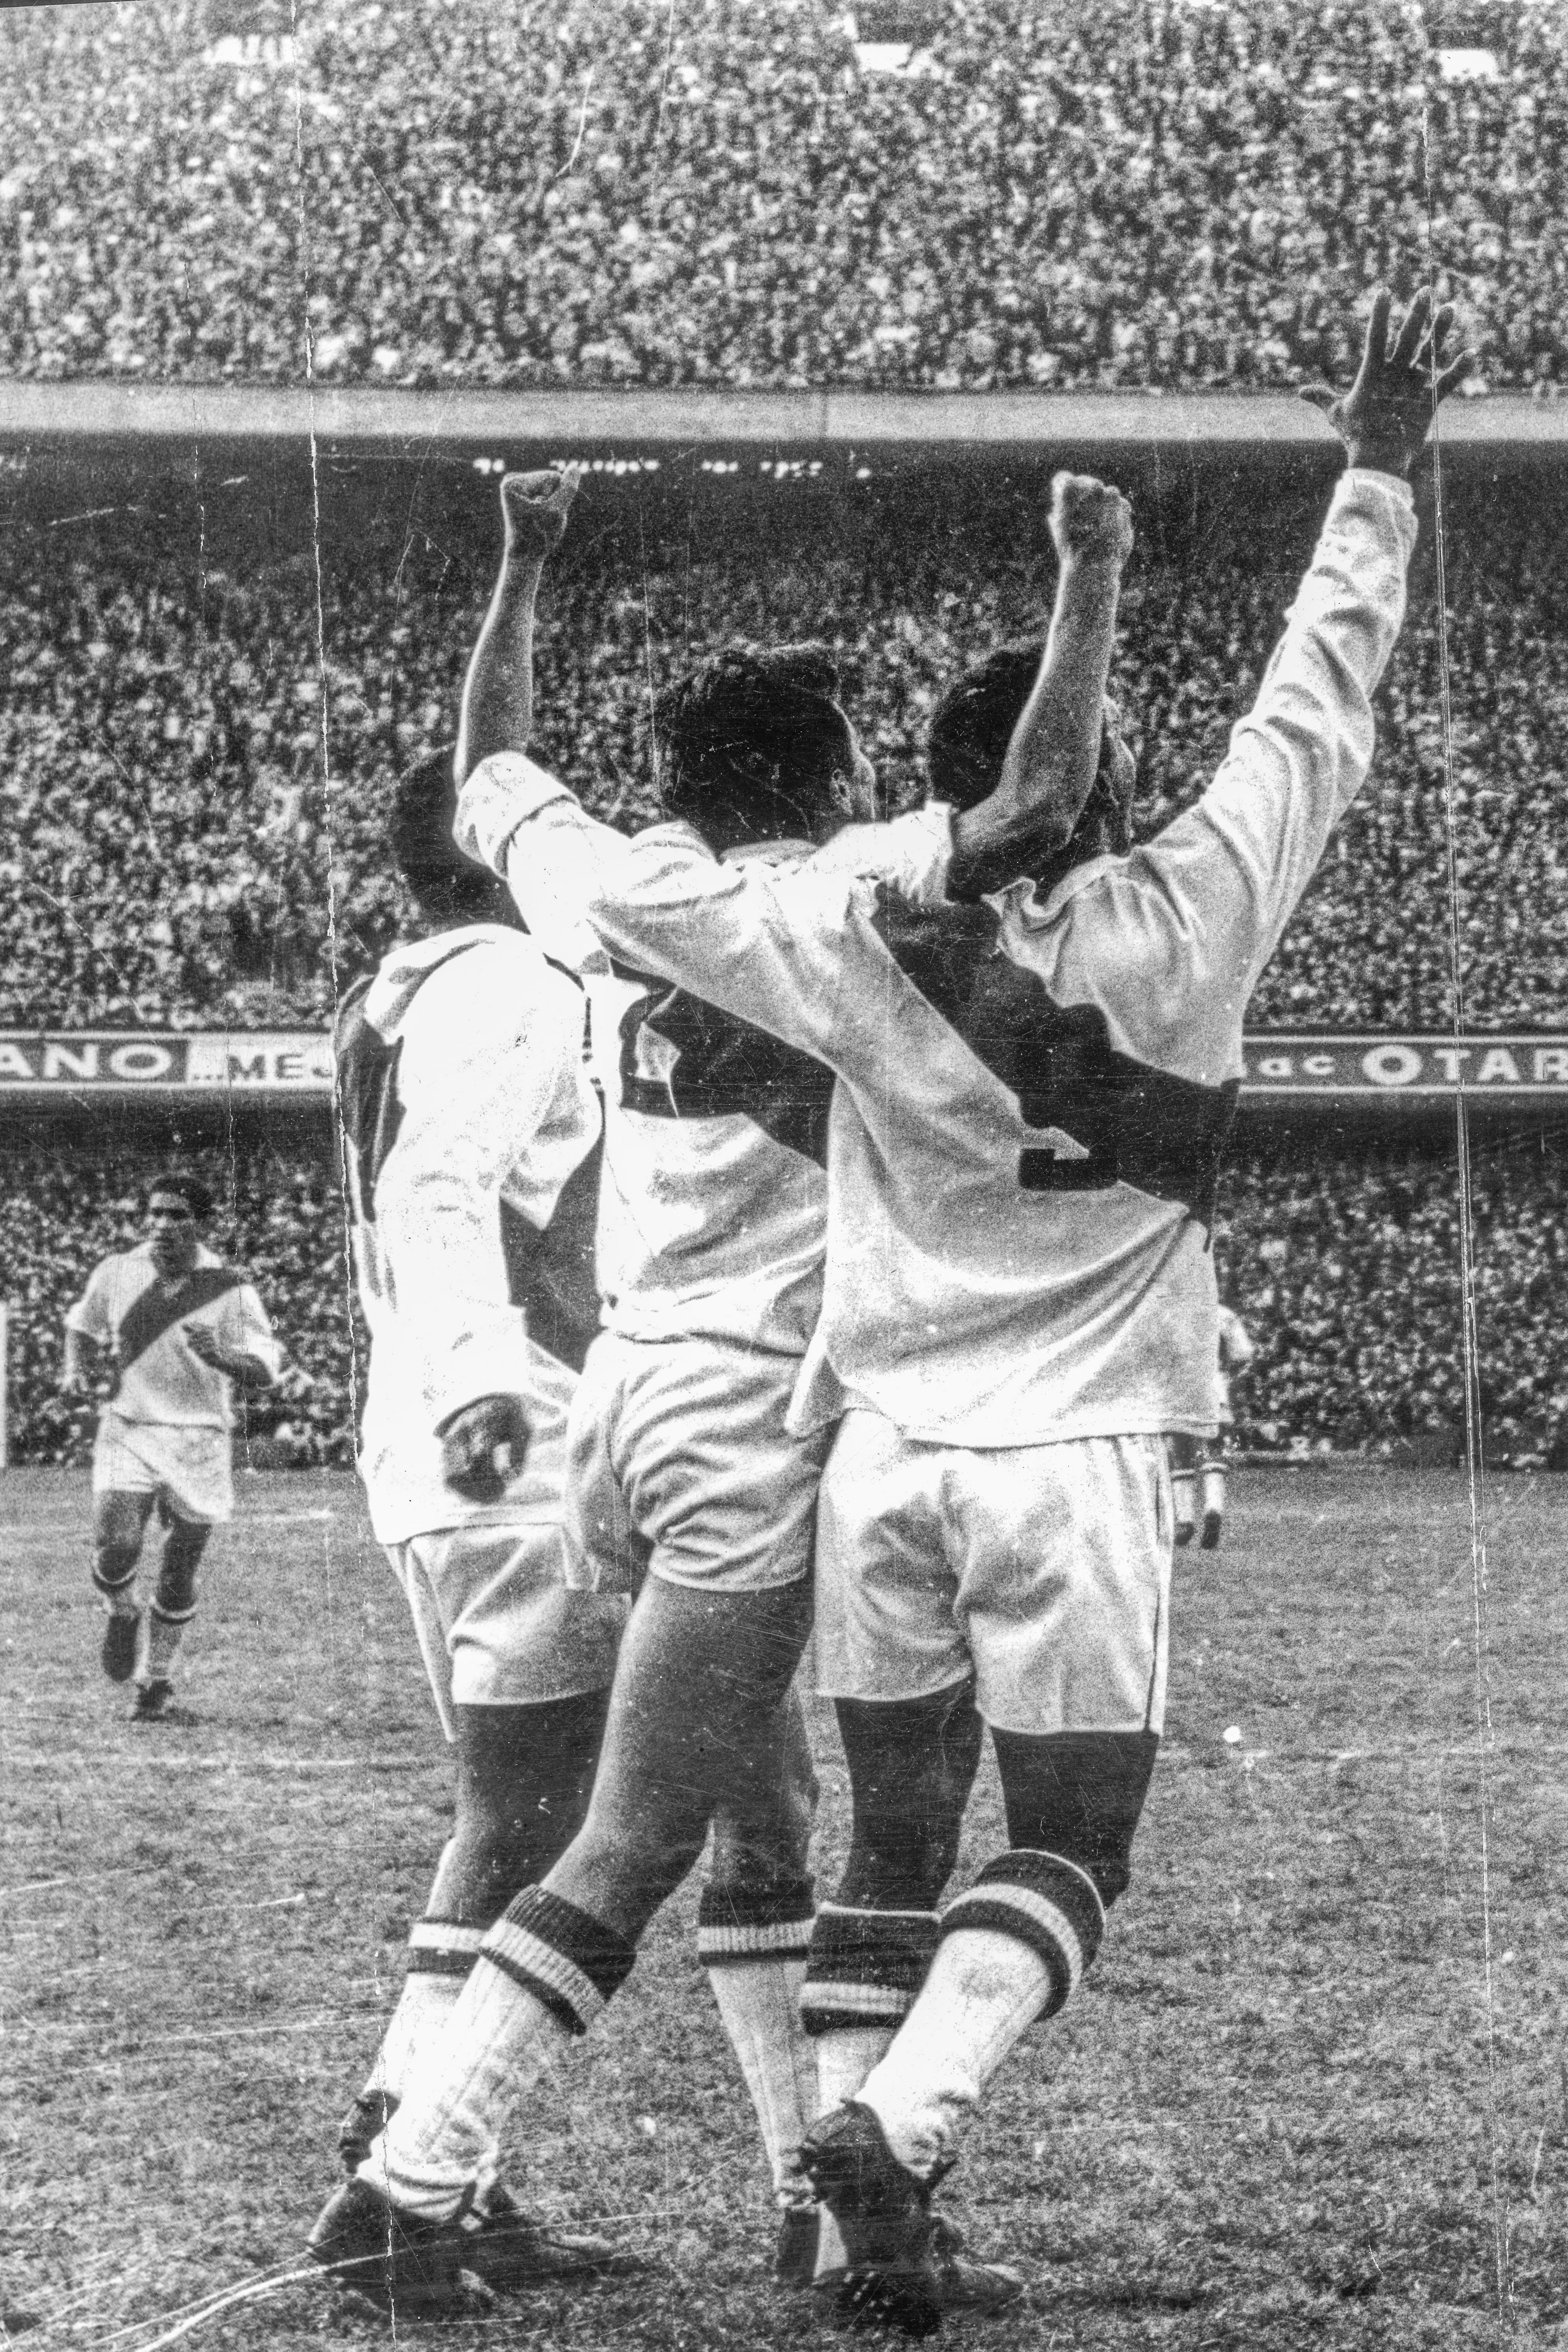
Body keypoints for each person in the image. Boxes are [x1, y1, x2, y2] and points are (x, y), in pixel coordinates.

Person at [440, 288, 1467, 2332]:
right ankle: (894, 2137)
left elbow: (516, 810)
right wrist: (1376, 469)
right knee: (1069, 1844)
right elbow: (1321, 690)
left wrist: (525, 595)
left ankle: (852, 2242)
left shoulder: (827, 932)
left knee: (885, 1853)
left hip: (878, 1457)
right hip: (1077, 1454)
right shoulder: (1204, 900)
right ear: (1104, 790)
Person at [311, 462, 1134, 2314]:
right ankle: (405, 2180)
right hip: (745, 1431)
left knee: (765, 1825)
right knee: (629, 1837)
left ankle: (811, 2209)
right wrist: (1082, 567)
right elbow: (1036, 801)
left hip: (614, 1398)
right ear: (829, 776)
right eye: (850, 755)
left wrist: (524, 560)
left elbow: (482, 771)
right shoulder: (839, 891)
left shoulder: (609, 883)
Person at [61, 1171, 281, 1720]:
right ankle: (120, 1610)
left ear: (201, 1225)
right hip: (130, 1427)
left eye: (177, 1215)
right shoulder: (117, 1271)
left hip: (200, 1438)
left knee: (179, 1570)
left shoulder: (232, 1289)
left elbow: (264, 1370)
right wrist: (74, 1369)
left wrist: (222, 1357)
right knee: (116, 1542)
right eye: (155, 1213)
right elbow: (80, 1326)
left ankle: (155, 1684)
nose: (162, 1225)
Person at [1170, 1302, 1255, 1546]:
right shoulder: (1224, 1314)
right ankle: (1213, 1510)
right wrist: (1227, 1376)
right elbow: (1243, 1354)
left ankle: (1185, 1521)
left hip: (1181, 1388)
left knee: (1181, 1453)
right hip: (1214, 1386)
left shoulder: (1174, 1312)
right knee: (1213, 1452)